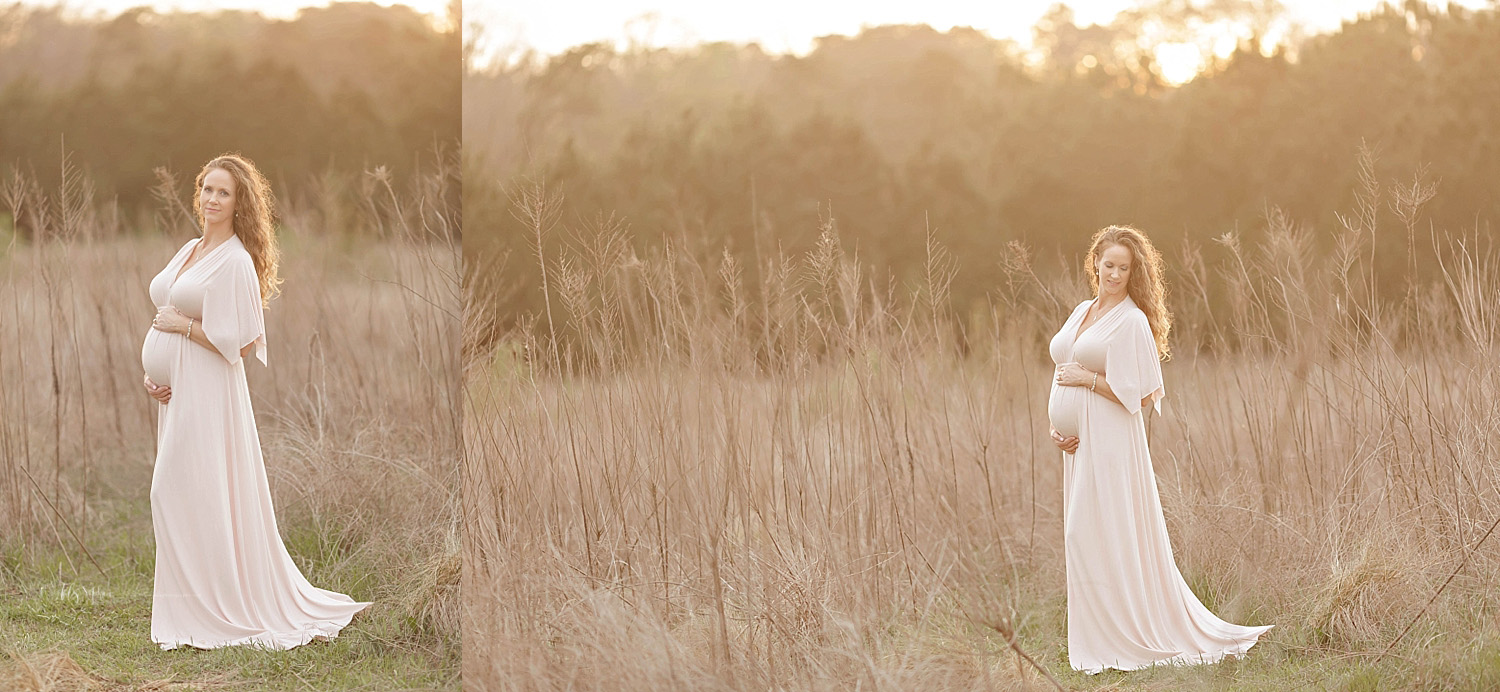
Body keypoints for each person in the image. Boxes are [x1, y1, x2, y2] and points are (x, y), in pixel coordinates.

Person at [140, 154, 370, 650]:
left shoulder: (238, 261)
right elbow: (166, 310)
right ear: (198, 193)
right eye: (208, 189)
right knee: (184, 492)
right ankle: (191, 606)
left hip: (209, 391)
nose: (213, 199)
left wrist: (185, 330)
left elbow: (243, 342)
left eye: (224, 192)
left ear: (239, 202)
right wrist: (151, 374)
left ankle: (218, 607)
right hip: (176, 393)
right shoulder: (189, 249)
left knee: (174, 490)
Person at [1046, 224, 1271, 673]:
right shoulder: (1081, 310)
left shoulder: (1130, 320)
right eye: (1108, 264)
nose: (1114, 274)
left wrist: (1086, 381)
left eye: (1123, 268)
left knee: (1095, 531)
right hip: (1077, 445)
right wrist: (1057, 429)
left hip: (1109, 440)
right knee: (1085, 534)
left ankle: (1123, 635)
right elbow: (1061, 369)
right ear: (1095, 262)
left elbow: (1142, 393)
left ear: (1133, 273)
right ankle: (1101, 635)